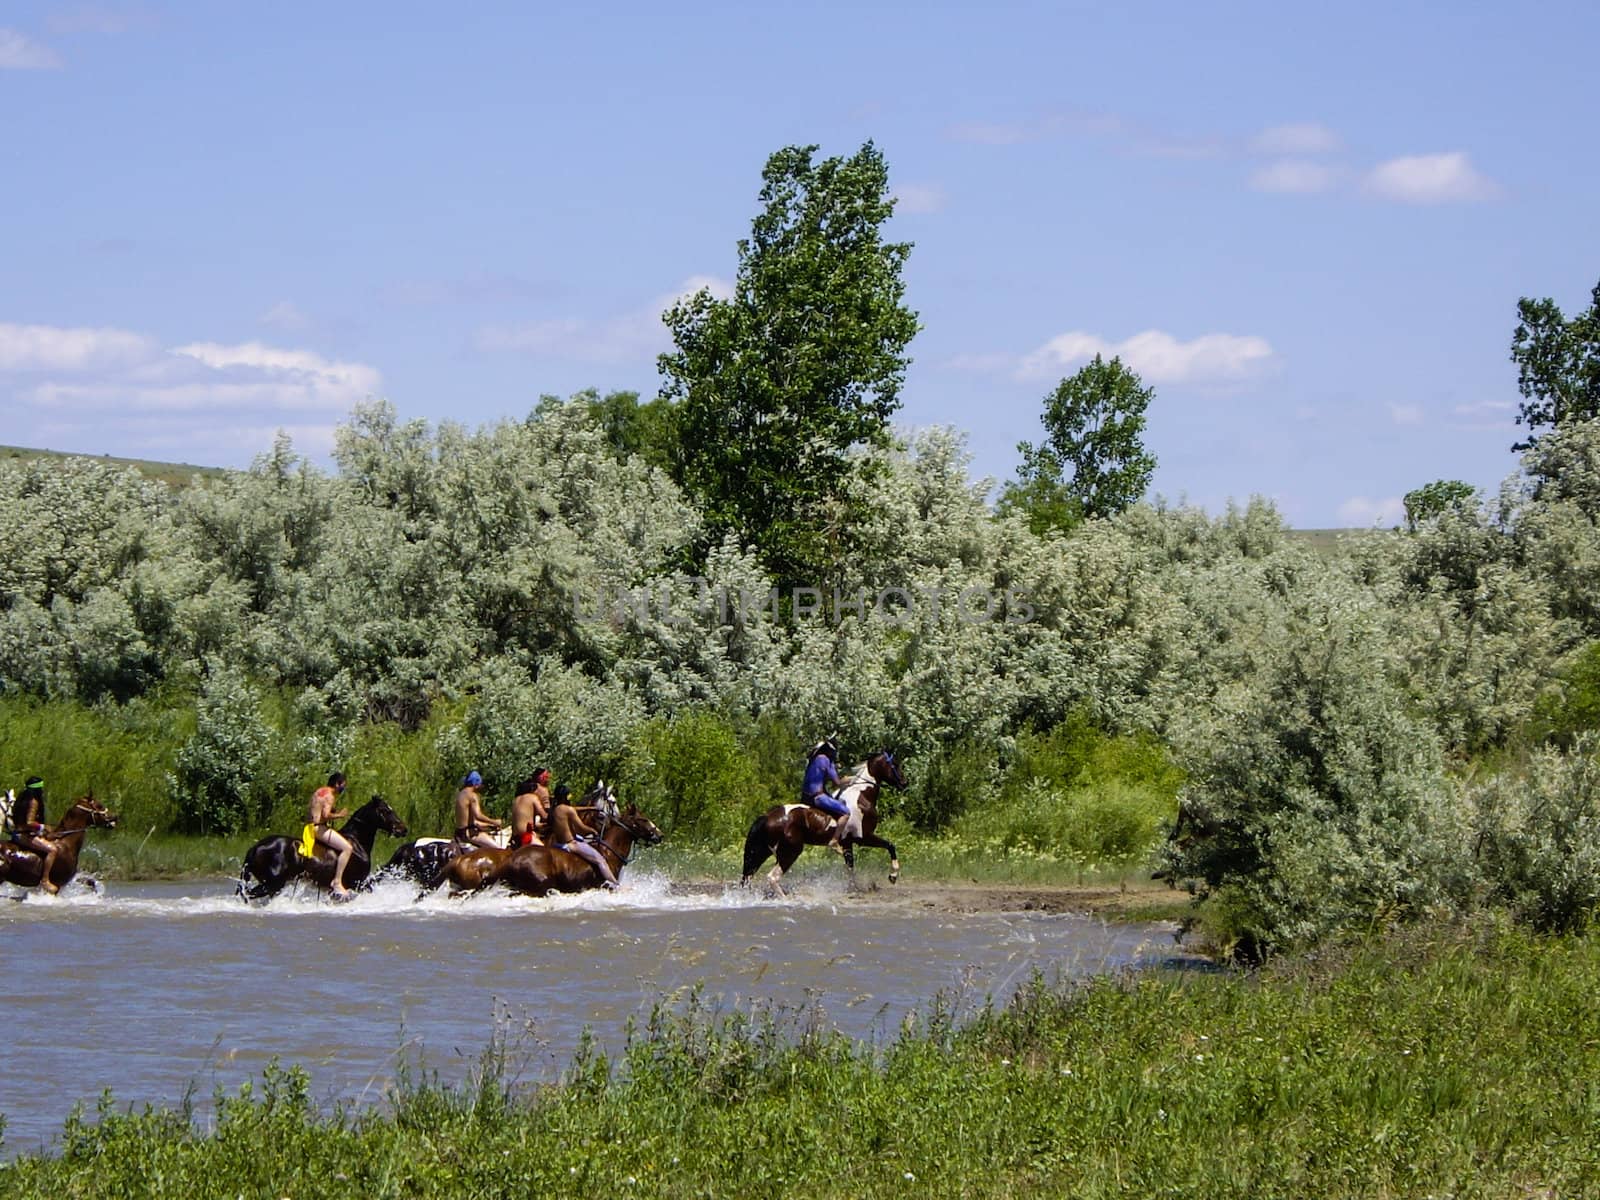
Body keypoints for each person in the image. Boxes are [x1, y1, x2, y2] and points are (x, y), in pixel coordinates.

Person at [547, 784, 618, 889]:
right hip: (571, 844)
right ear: (565, 797)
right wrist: (593, 831)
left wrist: (590, 808)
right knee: (600, 860)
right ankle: (616, 885)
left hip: (558, 844)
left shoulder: (554, 810)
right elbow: (582, 828)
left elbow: (574, 809)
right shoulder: (569, 810)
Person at [9, 775, 60, 894]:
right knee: (53, 849)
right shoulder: (34, 802)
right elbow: (29, 822)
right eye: (41, 789)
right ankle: (45, 880)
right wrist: (44, 827)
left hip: (18, 832)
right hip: (24, 835)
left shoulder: (22, 798)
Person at [308, 771, 353, 898]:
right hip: (318, 828)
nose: (343, 788)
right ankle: (337, 882)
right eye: (343, 785)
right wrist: (340, 815)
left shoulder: (319, 791)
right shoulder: (330, 795)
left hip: (309, 827)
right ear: (337, 784)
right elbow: (326, 815)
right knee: (347, 848)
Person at [802, 739, 851, 853]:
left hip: (807, 796)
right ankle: (834, 840)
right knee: (846, 813)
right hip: (818, 797)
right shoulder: (826, 760)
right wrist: (848, 779)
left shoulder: (814, 760)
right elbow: (837, 783)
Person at [453, 770, 504, 849]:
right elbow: (478, 815)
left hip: (459, 833)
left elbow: (471, 821)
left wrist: (489, 825)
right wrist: (494, 821)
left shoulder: (460, 794)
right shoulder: (472, 796)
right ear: (476, 784)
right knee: (499, 850)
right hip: (470, 833)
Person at [509, 768, 552, 848]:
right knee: (546, 853)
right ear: (532, 790)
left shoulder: (516, 800)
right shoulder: (532, 797)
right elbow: (545, 816)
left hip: (515, 837)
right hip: (526, 836)